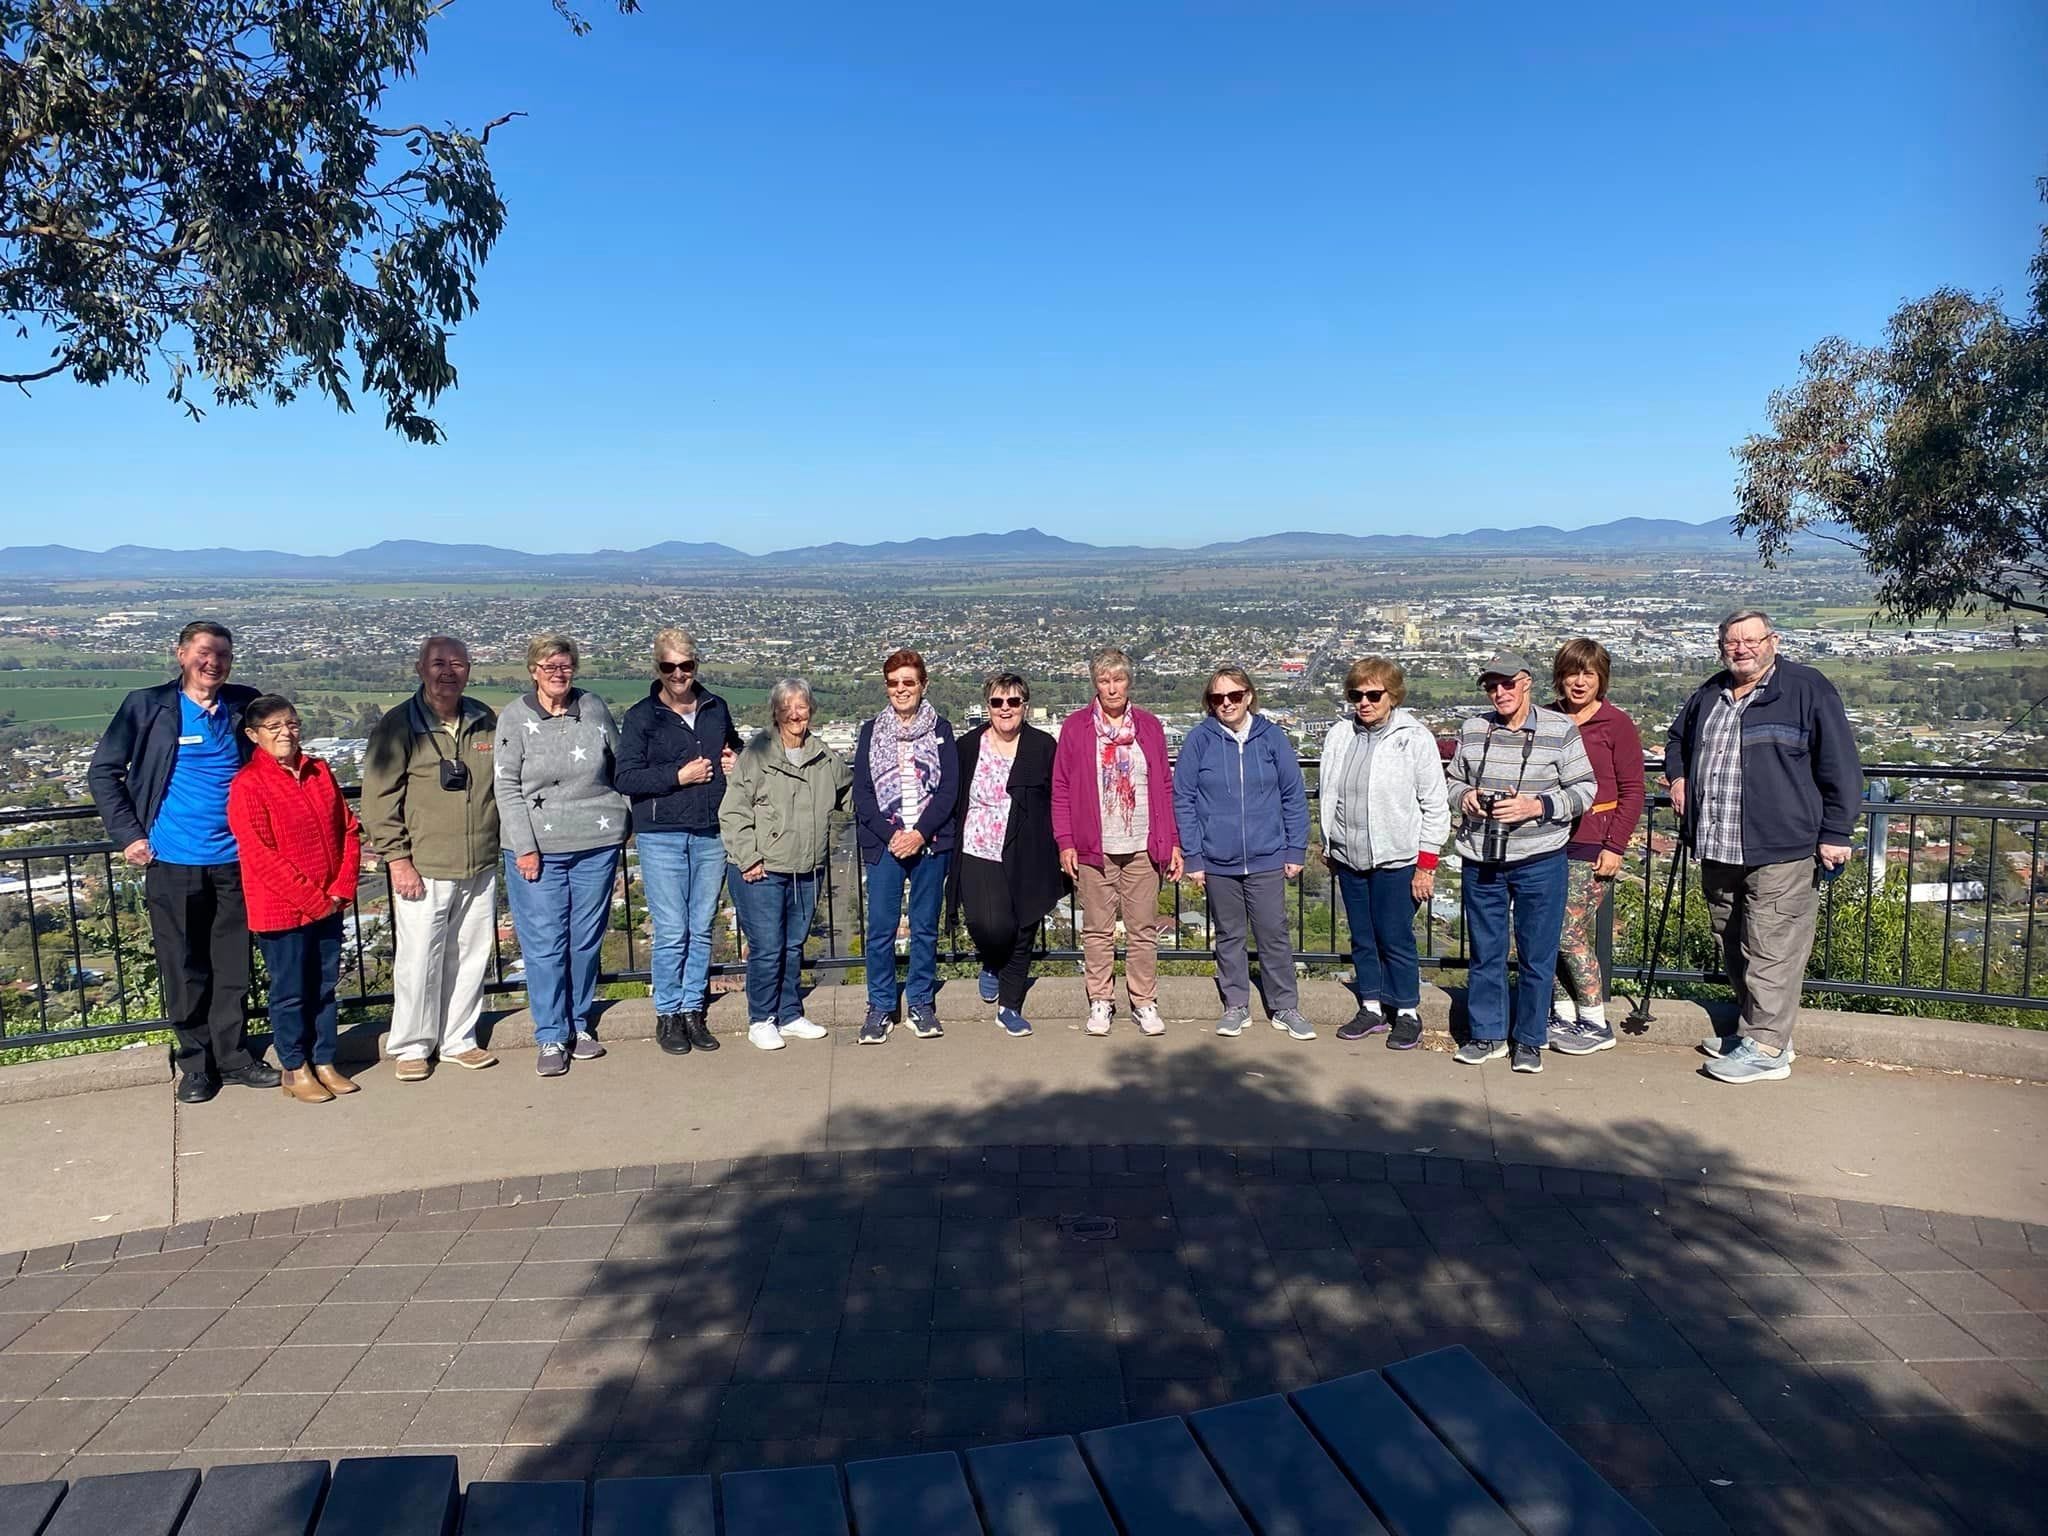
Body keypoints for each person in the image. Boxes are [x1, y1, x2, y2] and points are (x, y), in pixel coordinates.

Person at [88, 621, 281, 1103]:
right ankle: (195, 1064)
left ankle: (235, 1056)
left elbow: (274, 756)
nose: (212, 662)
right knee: (183, 965)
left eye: (222, 654)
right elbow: (104, 772)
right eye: (203, 653)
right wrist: (130, 835)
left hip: (235, 859)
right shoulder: (147, 706)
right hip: (172, 861)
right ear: (180, 655)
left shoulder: (243, 704)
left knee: (233, 965)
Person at [1665, 610, 1860, 1084]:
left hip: (1782, 846)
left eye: (1752, 640)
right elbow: (1676, 740)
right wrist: (1679, 777)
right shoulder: (1710, 693)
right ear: (1721, 646)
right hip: (1717, 843)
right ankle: (1759, 1031)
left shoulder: (1806, 689)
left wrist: (1837, 832)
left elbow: (1840, 762)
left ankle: (1767, 1047)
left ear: (1773, 640)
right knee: (1732, 942)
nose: (1742, 649)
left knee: (1772, 946)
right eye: (1732, 642)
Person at [1444, 651, 1598, 1074]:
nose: (1499, 693)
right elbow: (1453, 780)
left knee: (1537, 952)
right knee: (1485, 951)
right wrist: (1466, 798)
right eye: (1492, 686)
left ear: (1527, 682)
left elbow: (1586, 789)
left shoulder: (1560, 729)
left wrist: (1536, 805)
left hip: (1540, 858)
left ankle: (1530, 1038)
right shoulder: (1474, 729)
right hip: (1482, 856)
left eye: (1507, 684)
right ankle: (1487, 1034)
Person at [360, 636, 503, 1082]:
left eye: (457, 663)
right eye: (438, 663)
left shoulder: (484, 719)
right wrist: (397, 859)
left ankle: (459, 1038)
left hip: (479, 858)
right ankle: (412, 1045)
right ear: (420, 668)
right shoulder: (399, 724)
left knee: (471, 953)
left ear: (469, 670)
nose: (448, 671)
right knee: (420, 957)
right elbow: (378, 799)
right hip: (423, 863)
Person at [495, 634, 629, 1078]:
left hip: (597, 842)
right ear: (533, 670)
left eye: (565, 665)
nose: (558, 673)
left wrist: (622, 819)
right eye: (548, 666)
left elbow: (621, 764)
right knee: (545, 943)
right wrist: (525, 846)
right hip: (538, 849)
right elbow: (506, 787)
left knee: (585, 940)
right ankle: (551, 1032)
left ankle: (579, 1022)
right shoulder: (514, 718)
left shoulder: (592, 708)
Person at [226, 696, 362, 1103]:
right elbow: (259, 854)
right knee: (290, 991)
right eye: (274, 727)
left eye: (292, 724)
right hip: (282, 910)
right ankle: (294, 1066)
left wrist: (342, 886)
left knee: (323, 987)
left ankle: (324, 1061)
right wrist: (315, 899)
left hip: (329, 902)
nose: (286, 733)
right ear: (254, 736)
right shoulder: (248, 785)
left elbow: (348, 830)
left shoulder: (319, 770)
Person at [615, 627, 743, 1057]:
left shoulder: (715, 708)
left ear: (696, 666)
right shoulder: (641, 716)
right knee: (672, 929)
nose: (678, 674)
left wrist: (735, 759)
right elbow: (625, 776)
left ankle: (693, 1008)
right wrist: (677, 776)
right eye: (669, 667)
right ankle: (668, 1013)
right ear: (658, 668)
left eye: (685, 666)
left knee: (701, 925)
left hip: (710, 829)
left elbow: (735, 748)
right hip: (662, 833)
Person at [1174, 666, 1312, 1039]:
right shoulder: (1199, 741)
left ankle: (1285, 1006)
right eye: (1218, 698)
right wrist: (1194, 857)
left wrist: (1295, 848)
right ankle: (1236, 1005)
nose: (1227, 704)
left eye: (1234, 696)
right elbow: (1184, 799)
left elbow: (1293, 796)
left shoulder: (1272, 738)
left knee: (1273, 933)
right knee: (1229, 934)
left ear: (1249, 696)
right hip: (1218, 859)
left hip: (1267, 855)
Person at [1320, 658, 1450, 1050]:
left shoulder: (1415, 737)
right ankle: (1372, 1007)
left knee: (1394, 936)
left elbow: (1435, 803)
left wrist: (1426, 865)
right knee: (1362, 936)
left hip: (1396, 858)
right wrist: (1329, 842)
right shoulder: (1340, 734)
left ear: (1392, 696)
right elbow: (1331, 791)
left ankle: (1408, 1011)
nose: (1364, 702)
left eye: (1374, 694)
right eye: (1356, 695)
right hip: (1349, 856)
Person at [1052, 647, 1182, 1036]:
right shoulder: (1076, 729)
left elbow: (1163, 784)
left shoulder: (1149, 726)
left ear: (1129, 682)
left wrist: (1172, 841)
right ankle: (1101, 1000)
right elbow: (1061, 788)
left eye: (1118, 679)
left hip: (1143, 845)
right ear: (1095, 683)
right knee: (1097, 929)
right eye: (1104, 680)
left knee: (1142, 930)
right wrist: (1065, 842)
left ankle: (1143, 1001)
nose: (1111, 688)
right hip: (1095, 847)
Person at [720, 679, 853, 1051]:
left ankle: (789, 1013)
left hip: (807, 867)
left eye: (802, 706)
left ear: (811, 710)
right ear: (775, 712)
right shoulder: (756, 755)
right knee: (767, 946)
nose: (795, 714)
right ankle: (761, 1018)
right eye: (787, 707)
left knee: (793, 945)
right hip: (761, 868)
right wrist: (748, 858)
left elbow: (850, 795)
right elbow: (733, 810)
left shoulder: (825, 757)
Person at [945, 672, 1064, 1037]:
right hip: (978, 847)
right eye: (998, 702)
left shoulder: (1043, 746)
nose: (1005, 709)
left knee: (1024, 924)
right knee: (989, 924)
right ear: (988, 707)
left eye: (1013, 702)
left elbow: (1058, 796)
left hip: (1028, 851)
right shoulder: (967, 747)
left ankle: (1009, 1006)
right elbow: (952, 797)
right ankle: (992, 962)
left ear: (1025, 706)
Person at [852, 649, 960, 1044]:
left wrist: (919, 833)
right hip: (885, 845)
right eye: (894, 683)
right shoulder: (870, 732)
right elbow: (863, 793)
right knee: (880, 929)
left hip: (930, 843)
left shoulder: (941, 730)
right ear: (886, 687)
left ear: (923, 685)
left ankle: (920, 1002)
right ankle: (881, 1006)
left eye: (909, 682)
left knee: (925, 928)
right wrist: (892, 834)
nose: (902, 690)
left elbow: (949, 790)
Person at [1547, 639, 1646, 1055]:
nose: (1580, 681)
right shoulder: (1547, 718)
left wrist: (1615, 845)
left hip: (1593, 842)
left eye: (1589, 673)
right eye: (1573, 672)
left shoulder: (1616, 724)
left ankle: (1593, 1018)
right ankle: (1561, 1010)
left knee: (1567, 931)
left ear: (1601, 678)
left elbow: (1633, 789)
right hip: (1545, 838)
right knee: (1534, 930)